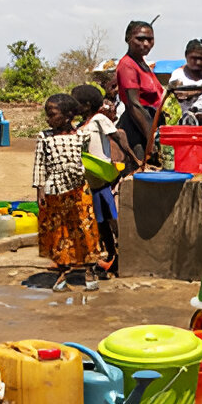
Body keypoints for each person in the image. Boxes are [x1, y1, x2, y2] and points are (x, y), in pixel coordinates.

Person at [33, 93, 103, 292]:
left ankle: (89, 270)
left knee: (85, 228)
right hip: (54, 192)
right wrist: (40, 191)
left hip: (79, 190)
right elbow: (39, 166)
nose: (48, 119)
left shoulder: (82, 136)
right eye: (47, 115)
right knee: (58, 233)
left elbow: (88, 160)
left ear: (68, 116)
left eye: (52, 114)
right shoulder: (44, 137)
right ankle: (63, 272)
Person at [72, 83, 133, 276]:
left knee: (111, 219)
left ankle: (121, 256)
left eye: (77, 103)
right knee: (100, 222)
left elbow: (118, 137)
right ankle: (110, 256)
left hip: (103, 175)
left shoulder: (99, 119)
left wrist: (134, 157)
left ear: (87, 104)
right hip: (90, 180)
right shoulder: (80, 126)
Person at [116, 20, 165, 166]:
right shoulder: (128, 65)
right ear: (128, 39)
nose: (145, 44)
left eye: (149, 39)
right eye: (140, 38)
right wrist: (152, 141)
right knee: (141, 173)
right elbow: (134, 105)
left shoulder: (142, 64)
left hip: (149, 126)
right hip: (137, 128)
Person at [167, 38, 202, 125]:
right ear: (186, 55)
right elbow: (181, 95)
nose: (198, 62)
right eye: (194, 58)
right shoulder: (178, 74)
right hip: (188, 122)